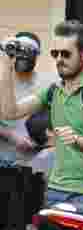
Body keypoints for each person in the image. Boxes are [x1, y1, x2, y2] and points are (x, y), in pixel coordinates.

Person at [0, 20, 83, 213]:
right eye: (55, 53)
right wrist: (6, 65)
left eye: (66, 54)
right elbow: (10, 112)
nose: (59, 59)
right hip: (57, 188)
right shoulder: (54, 90)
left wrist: (74, 139)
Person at [0, 32, 48, 170]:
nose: (23, 56)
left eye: (29, 51)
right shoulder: (2, 80)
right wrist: (10, 135)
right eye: (20, 51)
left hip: (33, 163)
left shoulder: (46, 85)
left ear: (37, 54)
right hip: (3, 159)